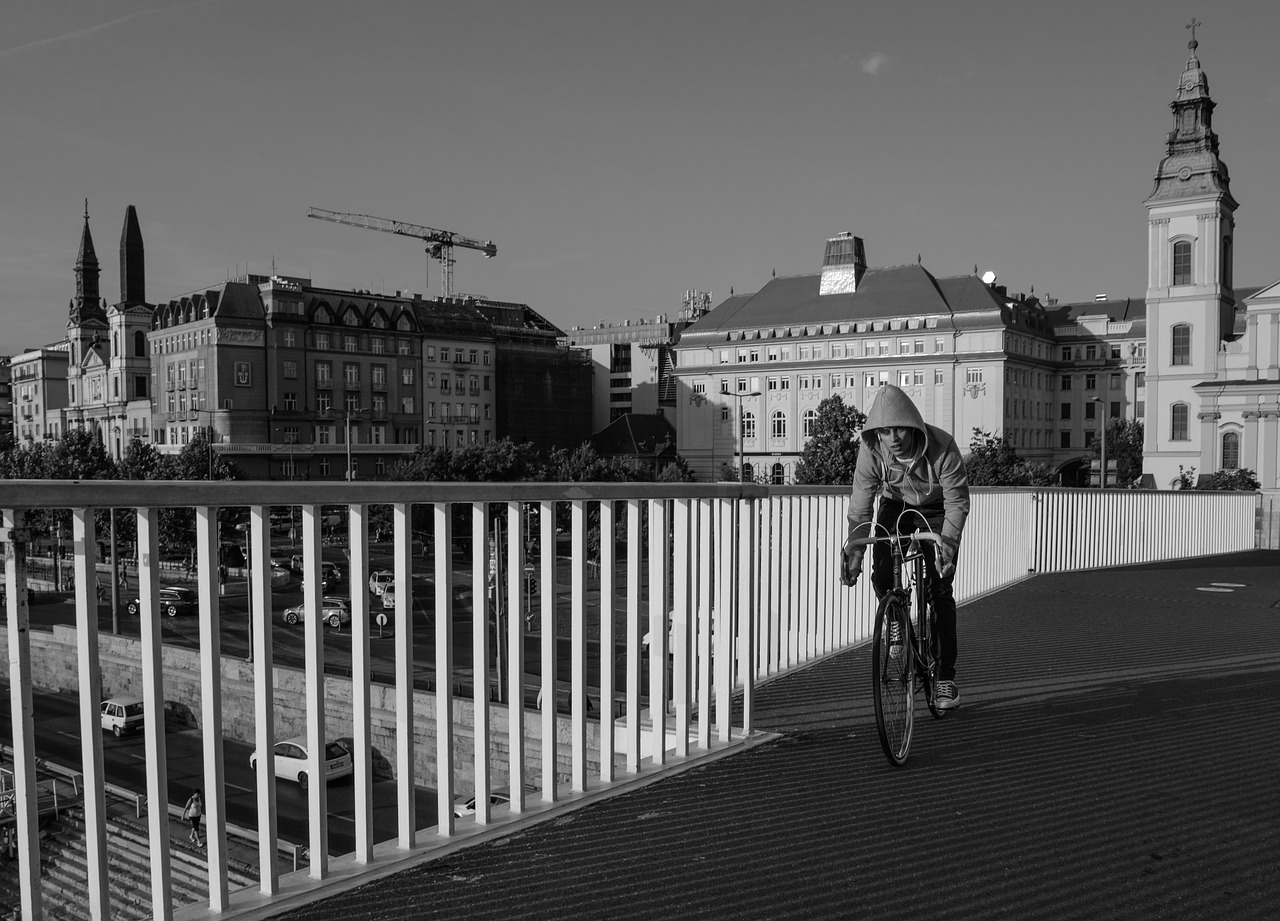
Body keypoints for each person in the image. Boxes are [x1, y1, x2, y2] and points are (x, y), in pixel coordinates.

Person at [840, 384, 970, 710]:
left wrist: (947, 550)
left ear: (913, 426)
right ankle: (896, 620)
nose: (894, 437)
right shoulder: (871, 451)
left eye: (900, 428)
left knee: (939, 588)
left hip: (936, 510)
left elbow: (957, 502)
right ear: (877, 433)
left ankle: (945, 679)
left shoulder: (942, 447)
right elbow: (860, 505)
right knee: (883, 574)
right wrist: (854, 552)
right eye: (885, 430)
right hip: (896, 505)